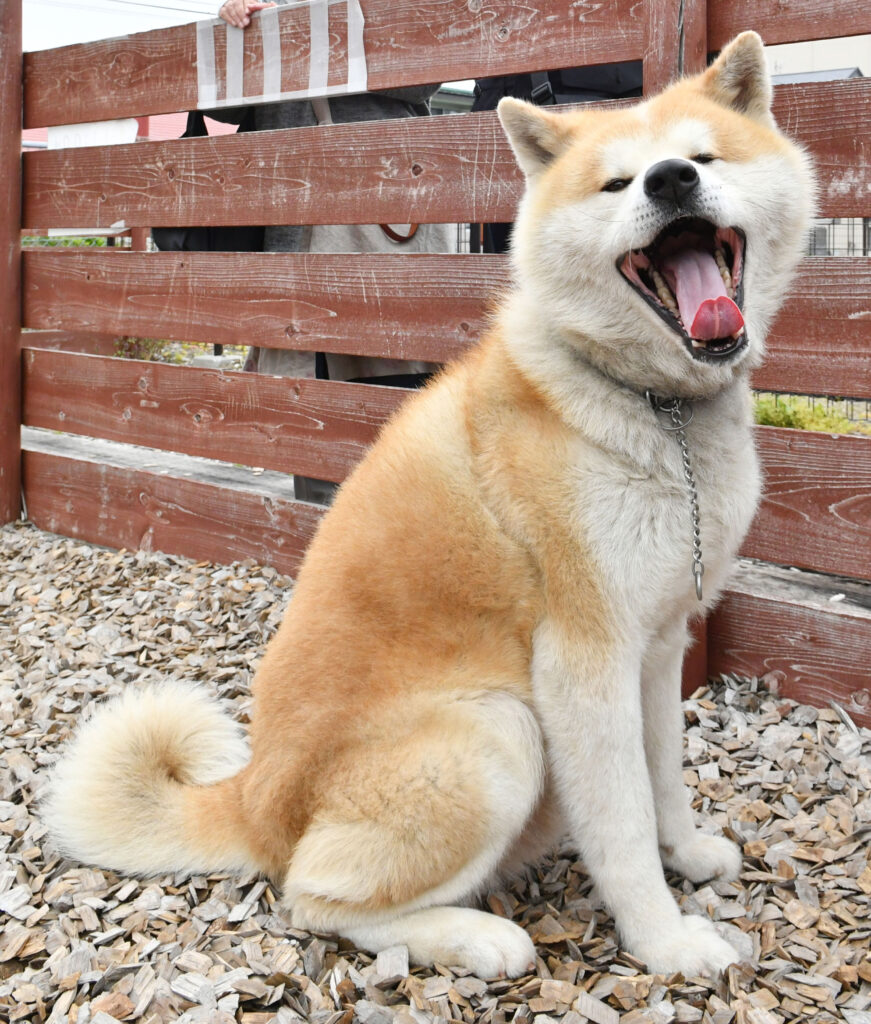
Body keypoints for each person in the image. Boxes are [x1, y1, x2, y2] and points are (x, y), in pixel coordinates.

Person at [218, 0, 455, 503]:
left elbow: (426, 75)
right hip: (291, 223)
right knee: (308, 389)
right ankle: (325, 553)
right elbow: (225, 106)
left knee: (393, 378)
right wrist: (238, 25)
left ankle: (400, 542)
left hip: (378, 218)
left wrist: (320, 33)